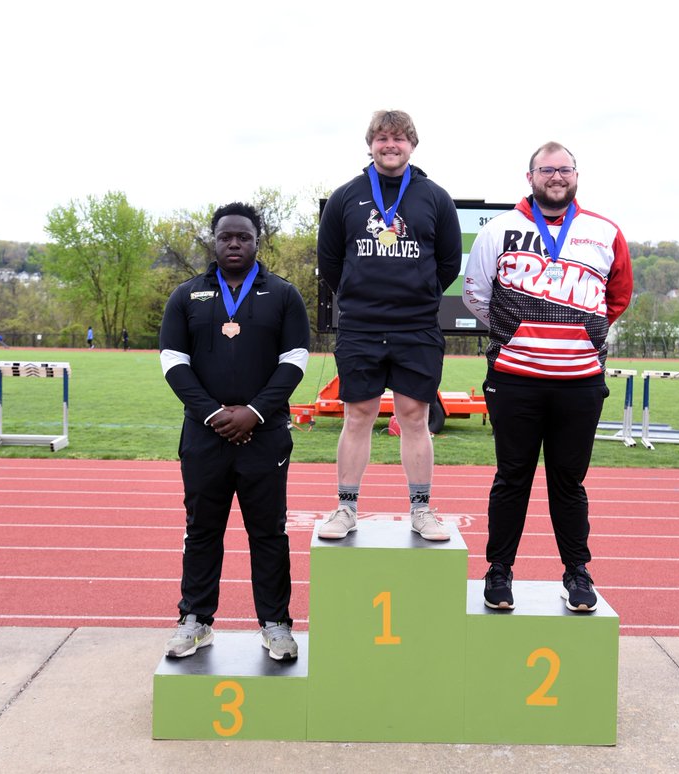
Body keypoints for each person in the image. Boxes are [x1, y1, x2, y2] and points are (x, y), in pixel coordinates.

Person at [462, 141, 633, 613]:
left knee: (568, 482)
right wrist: (516, 333)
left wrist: (581, 332)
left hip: (580, 381)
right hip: (515, 377)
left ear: (576, 175)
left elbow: (617, 297)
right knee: (511, 477)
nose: (556, 177)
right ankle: (499, 570)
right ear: (530, 177)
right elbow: (476, 293)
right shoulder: (500, 229)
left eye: (564, 169)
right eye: (546, 170)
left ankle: (577, 572)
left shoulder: (604, 231)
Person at [159, 202, 310, 662]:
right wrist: (214, 415)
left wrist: (254, 413)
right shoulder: (187, 295)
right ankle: (196, 620)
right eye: (226, 236)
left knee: (269, 533)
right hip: (204, 436)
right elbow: (172, 361)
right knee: (201, 531)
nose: (234, 244)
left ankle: (276, 623)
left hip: (264, 437)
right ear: (214, 240)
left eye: (243, 236)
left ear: (257, 241)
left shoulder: (284, 294)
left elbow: (296, 360)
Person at [316, 109, 462, 542]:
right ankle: (345, 508)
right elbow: (330, 262)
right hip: (361, 326)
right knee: (357, 415)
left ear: (412, 144)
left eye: (398, 138)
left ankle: (421, 509)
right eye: (382, 138)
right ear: (371, 144)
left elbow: (448, 262)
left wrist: (418, 292)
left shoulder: (434, 197)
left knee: (414, 417)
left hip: (416, 327)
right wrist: (360, 293)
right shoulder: (346, 196)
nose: (390, 145)